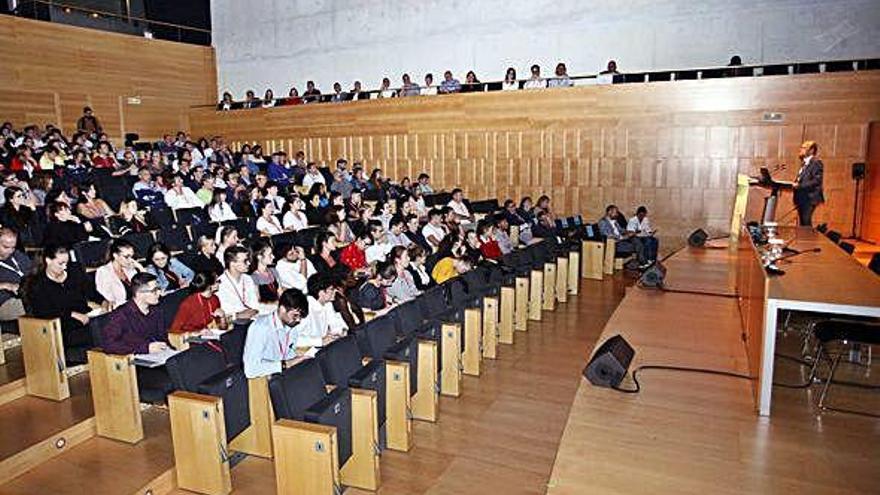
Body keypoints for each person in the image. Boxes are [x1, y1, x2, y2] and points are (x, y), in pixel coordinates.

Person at [25, 245, 93, 357]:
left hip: (86, 316)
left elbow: (91, 292)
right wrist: (72, 314)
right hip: (62, 325)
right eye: (60, 263)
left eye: (66, 262)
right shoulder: (37, 285)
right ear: (48, 260)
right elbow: (44, 312)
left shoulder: (74, 273)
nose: (65, 267)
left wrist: (104, 301)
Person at [242, 288, 311, 378]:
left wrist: (297, 359)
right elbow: (250, 370)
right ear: (282, 309)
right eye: (295, 315)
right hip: (266, 379)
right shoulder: (261, 328)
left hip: (284, 374)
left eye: (300, 316)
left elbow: (289, 353)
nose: (298, 320)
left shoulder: (291, 325)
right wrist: (285, 364)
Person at [100, 273, 169, 355]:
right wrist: (145, 348)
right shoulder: (120, 315)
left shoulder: (157, 311)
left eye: (158, 289)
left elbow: (163, 337)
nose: (159, 293)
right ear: (139, 293)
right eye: (154, 291)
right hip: (134, 359)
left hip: (160, 354)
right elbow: (108, 345)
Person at [96, 239, 145, 309]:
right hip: (121, 310)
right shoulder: (103, 272)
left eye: (132, 256)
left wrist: (140, 268)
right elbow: (109, 300)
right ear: (115, 256)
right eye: (126, 257)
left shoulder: (130, 268)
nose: (130, 260)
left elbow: (147, 287)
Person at [217, 246, 260, 320]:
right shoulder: (220, 284)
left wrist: (253, 311)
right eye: (245, 260)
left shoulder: (248, 279)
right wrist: (237, 315)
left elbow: (255, 304)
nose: (249, 263)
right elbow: (223, 313)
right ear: (233, 263)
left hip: (253, 318)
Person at [0, 228, 31, 321]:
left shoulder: (18, 256)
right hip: (4, 302)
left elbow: (31, 272)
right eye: (5, 247)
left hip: (25, 294)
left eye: (13, 247)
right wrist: (6, 285)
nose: (10, 251)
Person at [793, 140, 824, 227]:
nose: (800, 150)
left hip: (810, 197)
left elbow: (816, 180)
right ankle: (804, 239)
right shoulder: (805, 163)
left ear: (811, 150)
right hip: (802, 197)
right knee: (803, 222)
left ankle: (808, 239)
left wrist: (799, 185)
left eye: (804, 148)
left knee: (806, 221)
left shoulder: (816, 162)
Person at [250, 239, 281, 304]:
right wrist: (275, 303)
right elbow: (258, 301)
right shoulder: (253, 277)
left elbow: (280, 291)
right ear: (259, 257)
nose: (273, 257)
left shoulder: (273, 271)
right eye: (270, 255)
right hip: (265, 309)